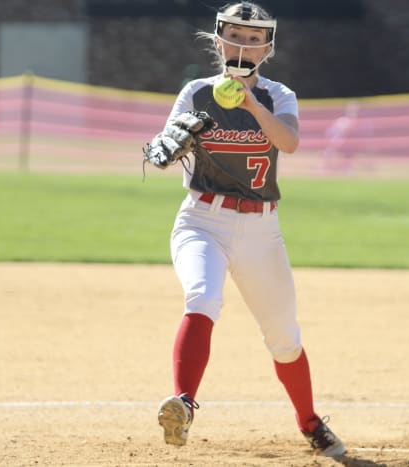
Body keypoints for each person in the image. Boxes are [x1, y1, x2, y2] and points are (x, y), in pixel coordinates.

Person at [143, 1, 346, 458]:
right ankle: (183, 404)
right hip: (202, 220)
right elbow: (165, 146)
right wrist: (171, 145)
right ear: (218, 42)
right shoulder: (196, 92)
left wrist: (251, 104)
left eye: (254, 39)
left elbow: (289, 142)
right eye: (234, 36)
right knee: (202, 297)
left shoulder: (278, 96)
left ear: (267, 49)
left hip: (260, 230)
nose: (243, 46)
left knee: (284, 339)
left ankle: (310, 423)